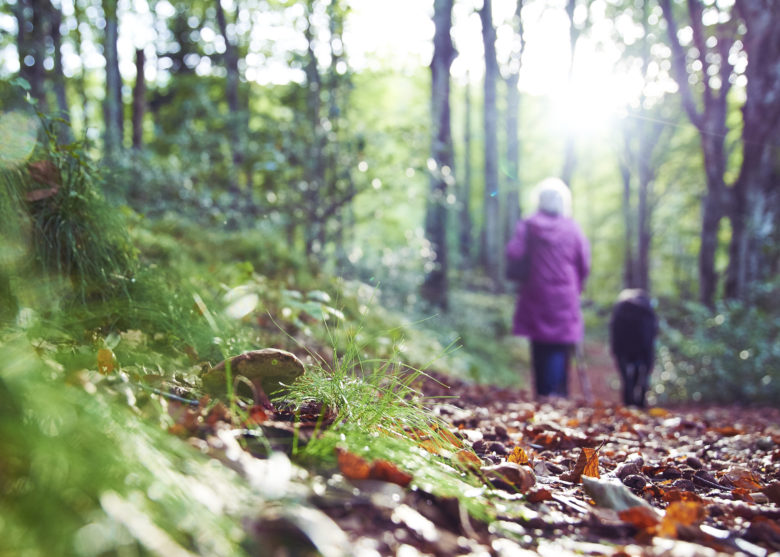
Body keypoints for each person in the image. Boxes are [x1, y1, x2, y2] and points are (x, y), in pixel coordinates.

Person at [505, 177, 590, 398]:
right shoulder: (572, 228)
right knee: (560, 346)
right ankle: (557, 395)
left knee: (540, 344)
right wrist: (577, 287)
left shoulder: (529, 224)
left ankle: (545, 394)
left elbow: (514, 253)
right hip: (566, 295)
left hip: (536, 293)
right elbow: (584, 263)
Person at [609, 288, 658, 407]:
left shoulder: (620, 308)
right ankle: (640, 402)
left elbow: (614, 334)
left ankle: (628, 400)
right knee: (642, 373)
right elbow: (653, 333)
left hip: (623, 345)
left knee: (627, 378)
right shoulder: (646, 309)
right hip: (643, 346)